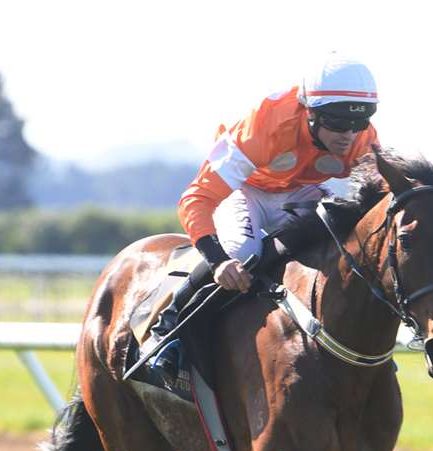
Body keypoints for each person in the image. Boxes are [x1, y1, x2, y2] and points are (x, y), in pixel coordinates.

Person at [147, 53, 380, 381]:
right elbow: (196, 198)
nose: (350, 135)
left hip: (303, 191)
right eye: (338, 123)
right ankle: (169, 329)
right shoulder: (267, 125)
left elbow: (381, 200)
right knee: (243, 253)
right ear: (310, 112)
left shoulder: (363, 139)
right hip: (247, 191)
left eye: (360, 122)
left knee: (341, 243)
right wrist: (218, 261)